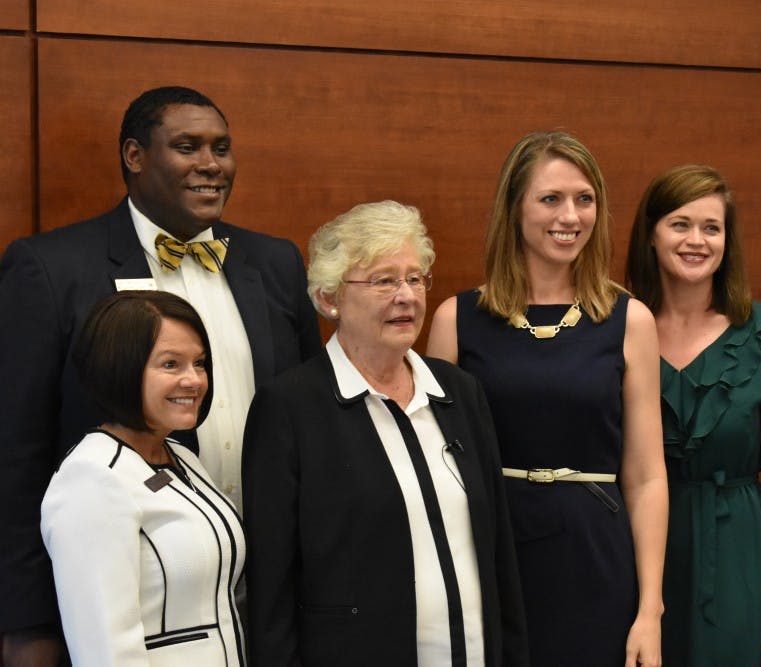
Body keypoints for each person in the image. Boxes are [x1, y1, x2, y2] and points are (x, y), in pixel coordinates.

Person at [0, 85, 321, 666]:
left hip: (268, 593)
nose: (211, 165)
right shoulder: (50, 269)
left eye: (221, 148)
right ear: (134, 156)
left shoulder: (274, 263)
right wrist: (26, 623)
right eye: (187, 146)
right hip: (129, 599)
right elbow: (15, 453)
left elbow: (307, 421)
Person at [242, 200, 528, 666]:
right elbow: (272, 585)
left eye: (415, 278)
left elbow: (498, 555)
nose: (407, 296)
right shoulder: (290, 407)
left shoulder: (458, 391)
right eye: (383, 280)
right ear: (330, 298)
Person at [427, 131, 668, 667]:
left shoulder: (630, 320)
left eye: (585, 199)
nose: (571, 215)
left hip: (595, 557)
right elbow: (440, 469)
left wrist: (649, 610)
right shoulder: (456, 320)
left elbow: (647, 475)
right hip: (493, 554)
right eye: (551, 198)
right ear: (514, 208)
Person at [624, 164, 761, 667]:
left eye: (712, 227)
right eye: (680, 224)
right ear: (651, 235)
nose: (696, 240)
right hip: (634, 553)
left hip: (738, 557)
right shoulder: (614, 325)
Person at [42, 290, 245, 666]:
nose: (194, 380)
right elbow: (105, 651)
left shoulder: (182, 457)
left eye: (199, 363)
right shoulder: (92, 478)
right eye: (171, 364)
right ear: (119, 368)